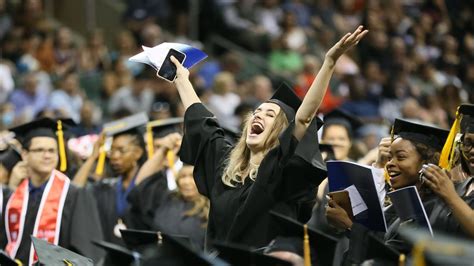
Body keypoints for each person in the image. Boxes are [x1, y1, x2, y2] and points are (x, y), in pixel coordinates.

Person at [170, 26, 368, 248]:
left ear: (282, 131)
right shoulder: (225, 166)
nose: (259, 115)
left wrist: (329, 62)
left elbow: (303, 118)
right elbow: (202, 123)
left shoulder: (279, 171)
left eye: (270, 114)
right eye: (258, 111)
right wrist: (180, 78)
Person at [325, 118, 452, 264]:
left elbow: (388, 256)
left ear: (427, 163)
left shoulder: (432, 209)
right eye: (390, 157)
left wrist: (350, 225)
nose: (390, 164)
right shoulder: (398, 205)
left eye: (401, 157)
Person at [0, 117, 104, 264]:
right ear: (24, 154)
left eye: (52, 150)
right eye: (39, 150)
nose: (47, 155)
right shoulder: (12, 197)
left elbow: (87, 252)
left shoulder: (74, 195)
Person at [74, 113, 148, 246]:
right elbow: (75, 191)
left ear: (138, 153)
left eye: (121, 150)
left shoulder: (149, 188)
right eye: (112, 151)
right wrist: (93, 156)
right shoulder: (106, 188)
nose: (114, 156)